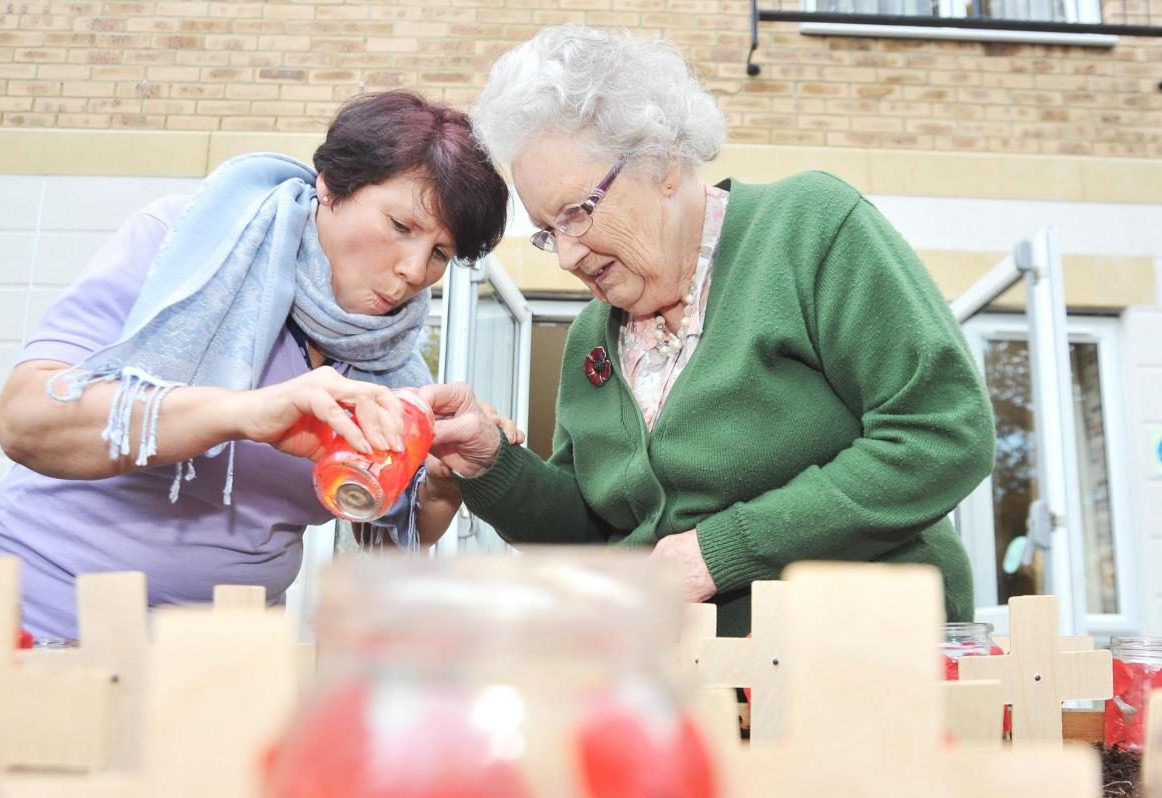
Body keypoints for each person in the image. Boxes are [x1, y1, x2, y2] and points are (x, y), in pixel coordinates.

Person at [419, 26, 996, 637]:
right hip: (676, 677)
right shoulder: (594, 335)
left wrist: (720, 551)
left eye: (578, 213)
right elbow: (594, 534)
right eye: (545, 231)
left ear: (663, 162)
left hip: (860, 654)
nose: (565, 255)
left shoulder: (809, 229)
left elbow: (942, 431)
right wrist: (491, 465)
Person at [0, 90, 509, 639]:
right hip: (42, 625)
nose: (415, 271)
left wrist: (439, 488)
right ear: (331, 184)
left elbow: (383, 535)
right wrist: (241, 412)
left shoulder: (391, 360)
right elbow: (27, 421)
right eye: (401, 226)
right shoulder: (186, 246)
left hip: (225, 659)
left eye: (441, 253)